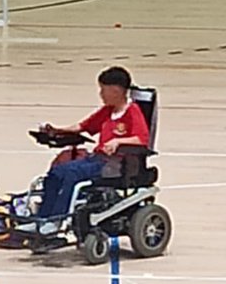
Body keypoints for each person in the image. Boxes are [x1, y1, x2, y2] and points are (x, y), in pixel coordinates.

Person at [33, 65, 149, 235]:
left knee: (72, 174)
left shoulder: (132, 111)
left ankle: (58, 219)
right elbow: (82, 126)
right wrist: (57, 130)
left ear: (116, 91)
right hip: (97, 159)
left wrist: (118, 141)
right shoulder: (107, 111)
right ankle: (43, 217)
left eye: (103, 90)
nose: (100, 94)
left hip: (115, 165)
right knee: (57, 172)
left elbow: (142, 139)